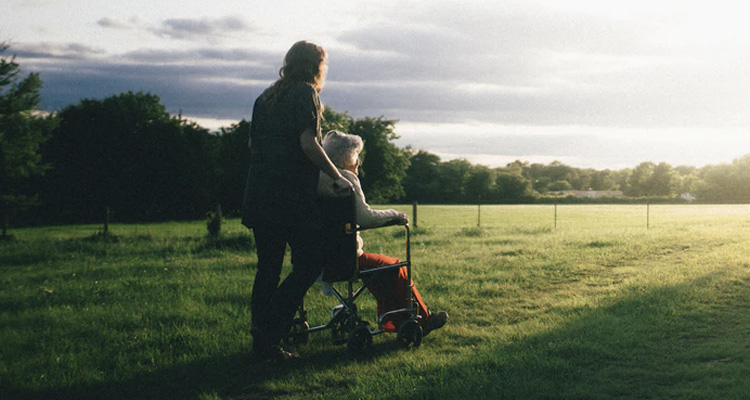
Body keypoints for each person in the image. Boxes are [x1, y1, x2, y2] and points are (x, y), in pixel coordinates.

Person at [242, 41, 352, 361]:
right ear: (316, 65)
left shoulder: (265, 97)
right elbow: (309, 143)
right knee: (309, 263)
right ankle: (269, 328)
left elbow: (253, 145)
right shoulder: (305, 93)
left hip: (259, 194)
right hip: (289, 197)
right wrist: (336, 175)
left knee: (268, 269)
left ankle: (262, 343)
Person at [317, 130, 448, 335]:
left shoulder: (317, 178)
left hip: (319, 257)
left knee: (381, 269)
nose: (359, 162)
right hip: (345, 258)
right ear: (346, 158)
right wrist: (395, 215)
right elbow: (366, 218)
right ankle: (422, 318)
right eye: (357, 156)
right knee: (395, 266)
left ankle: (395, 321)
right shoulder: (346, 179)